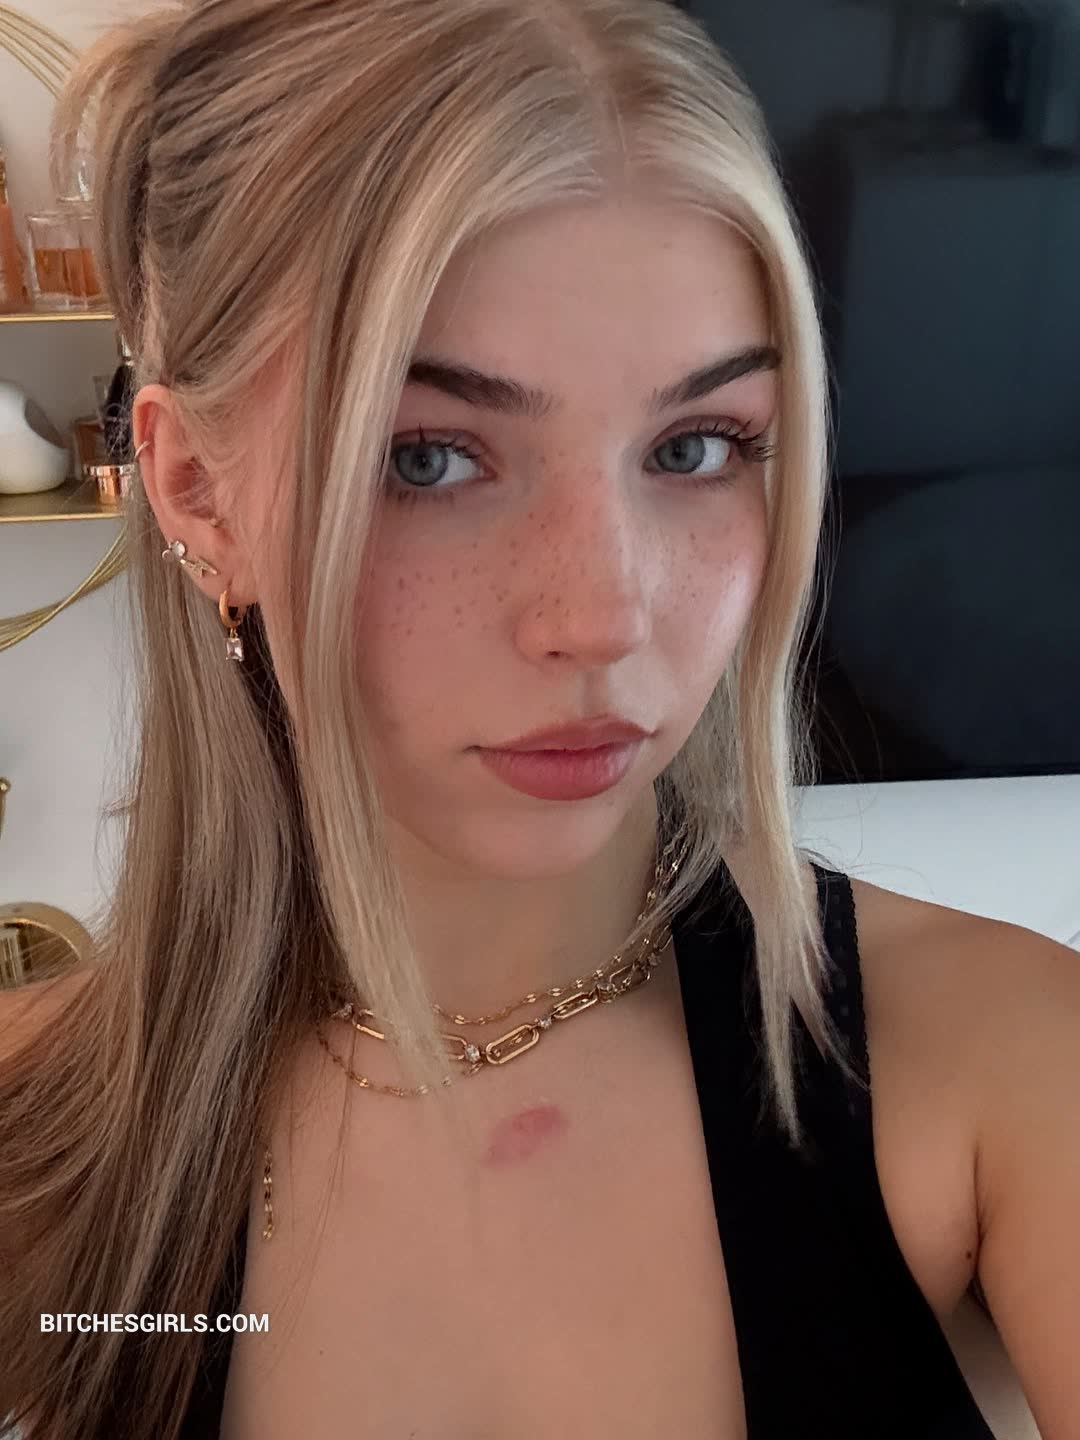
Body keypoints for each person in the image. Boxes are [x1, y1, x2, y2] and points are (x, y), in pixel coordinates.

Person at [0, 1, 1076, 1437]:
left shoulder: (1004, 1061)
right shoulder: (33, 1135)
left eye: (698, 446)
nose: (604, 617)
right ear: (197, 492)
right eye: (428, 458)